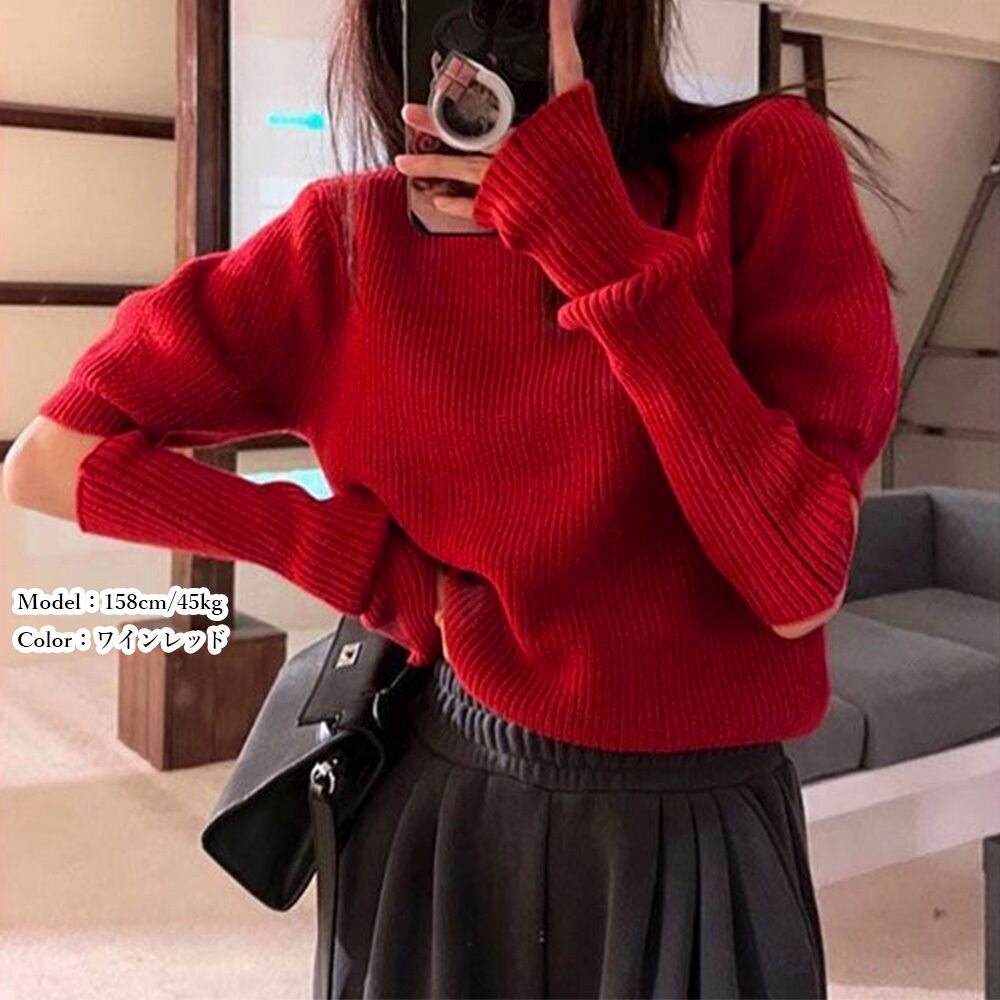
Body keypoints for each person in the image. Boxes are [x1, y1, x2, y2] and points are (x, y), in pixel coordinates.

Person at [4, 0, 902, 996]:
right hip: (444, 808)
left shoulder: (755, 168)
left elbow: (798, 581)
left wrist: (595, 245)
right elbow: (50, 458)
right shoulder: (348, 239)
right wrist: (360, 566)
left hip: (691, 832)